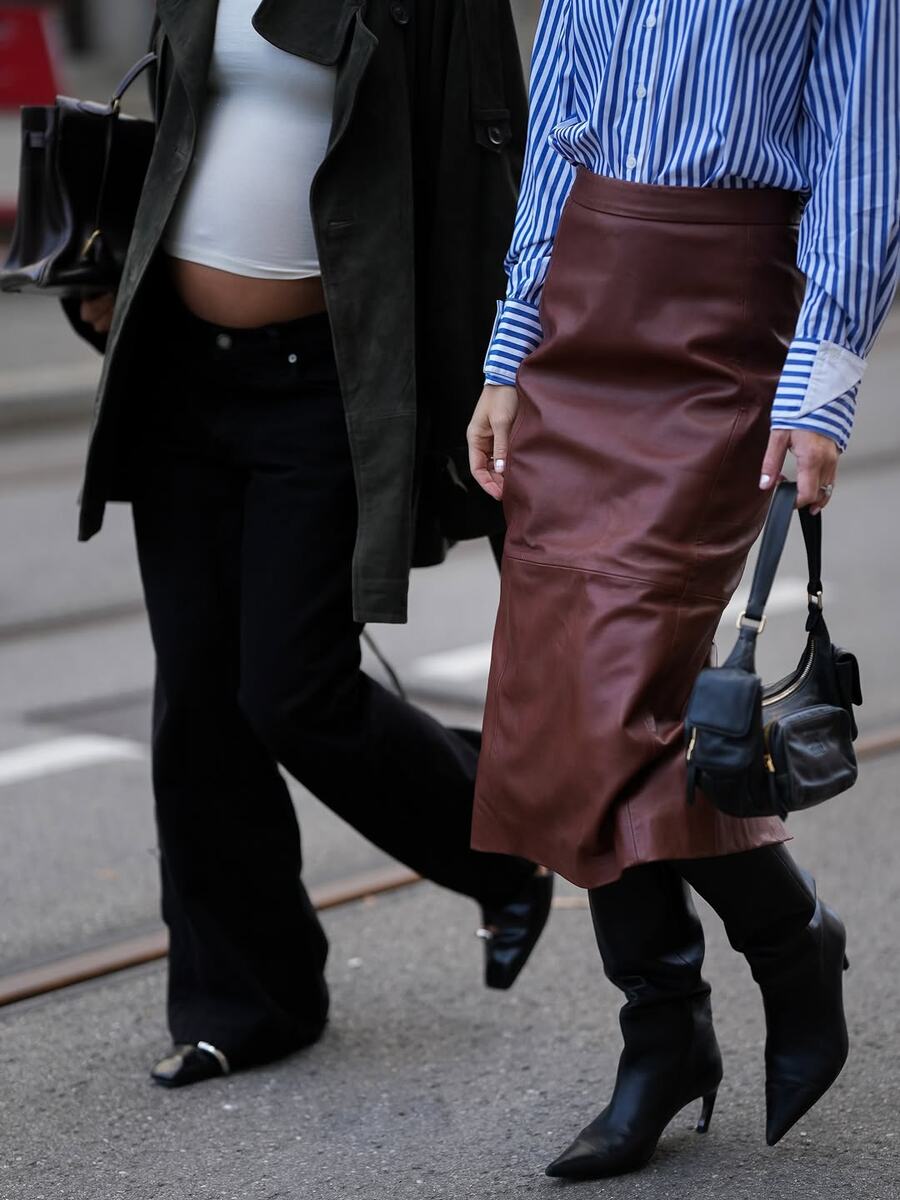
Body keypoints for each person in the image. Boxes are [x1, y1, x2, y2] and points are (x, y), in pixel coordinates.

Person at [68, 0, 553, 1089]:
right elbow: (180, 123)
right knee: (197, 702)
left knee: (294, 691)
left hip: (330, 380)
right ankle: (251, 999)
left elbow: (487, 170)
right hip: (183, 371)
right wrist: (112, 269)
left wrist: (503, 371)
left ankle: (502, 844)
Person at [467, 0, 898, 1180]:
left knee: (622, 691)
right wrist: (512, 345)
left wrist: (821, 386)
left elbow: (864, 152)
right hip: (583, 298)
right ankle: (672, 1024)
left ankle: (780, 948)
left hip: (728, 315)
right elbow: (558, 125)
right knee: (569, 696)